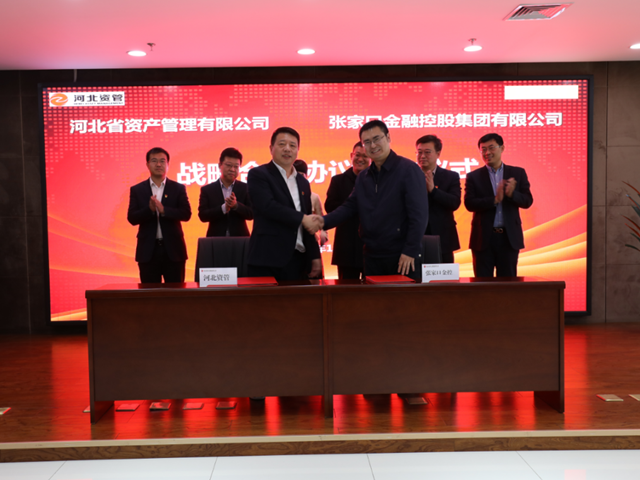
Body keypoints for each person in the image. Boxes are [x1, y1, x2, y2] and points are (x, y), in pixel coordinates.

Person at [311, 120, 428, 281]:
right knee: (372, 297)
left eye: (376, 139)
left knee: (402, 298)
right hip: (371, 256)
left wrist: (410, 251)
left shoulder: (408, 170)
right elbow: (349, 207)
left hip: (402, 256)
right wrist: (322, 222)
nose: (372, 145)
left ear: (388, 137)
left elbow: (419, 216)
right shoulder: (364, 177)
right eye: (367, 142)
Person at [246, 127, 322, 281]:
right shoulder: (258, 174)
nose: (287, 149)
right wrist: (302, 218)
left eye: (292, 145)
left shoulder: (303, 182)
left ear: (297, 150)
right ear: (271, 148)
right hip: (267, 259)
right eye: (282, 144)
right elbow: (267, 206)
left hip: (298, 260)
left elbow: (308, 220)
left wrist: (315, 256)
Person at [464, 133, 533, 277]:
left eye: (491, 148)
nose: (487, 153)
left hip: (509, 238)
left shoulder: (517, 173)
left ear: (502, 148)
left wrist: (512, 194)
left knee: (508, 285)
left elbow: (527, 201)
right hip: (483, 239)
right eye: (483, 149)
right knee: (482, 285)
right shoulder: (474, 176)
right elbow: (469, 204)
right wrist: (494, 200)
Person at [127, 147, 192, 283]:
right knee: (150, 294)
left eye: (162, 161)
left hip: (174, 251)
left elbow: (186, 214)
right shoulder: (137, 190)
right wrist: (149, 210)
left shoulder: (178, 188)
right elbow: (132, 218)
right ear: (147, 164)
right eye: (154, 161)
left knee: (176, 293)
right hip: (148, 252)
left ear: (168, 164)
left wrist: (164, 210)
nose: (158, 164)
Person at [324, 141, 370, 279]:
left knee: (373, 289)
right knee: (346, 289)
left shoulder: (377, 181)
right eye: (357, 155)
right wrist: (351, 205)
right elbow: (329, 207)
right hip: (346, 246)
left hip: (370, 247)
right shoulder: (338, 180)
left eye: (365, 156)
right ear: (351, 155)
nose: (360, 159)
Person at [415, 135, 461, 264]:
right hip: (415, 238)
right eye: (419, 152)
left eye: (427, 152)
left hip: (443, 239)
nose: (422, 156)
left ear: (438, 153)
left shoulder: (450, 176)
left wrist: (433, 191)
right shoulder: (409, 176)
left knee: (444, 275)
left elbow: (454, 202)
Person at [198, 147, 253, 237]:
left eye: (236, 166)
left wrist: (236, 206)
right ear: (220, 165)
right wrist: (223, 208)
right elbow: (203, 216)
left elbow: (252, 214)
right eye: (228, 165)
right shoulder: (207, 190)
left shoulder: (246, 188)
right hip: (215, 238)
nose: (232, 169)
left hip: (240, 238)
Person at [293, 159, 328, 247]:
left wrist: (323, 233)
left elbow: (321, 221)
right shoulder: (285, 195)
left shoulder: (314, 197)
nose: (298, 179)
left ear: (306, 176)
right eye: (296, 175)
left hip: (309, 240)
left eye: (301, 175)